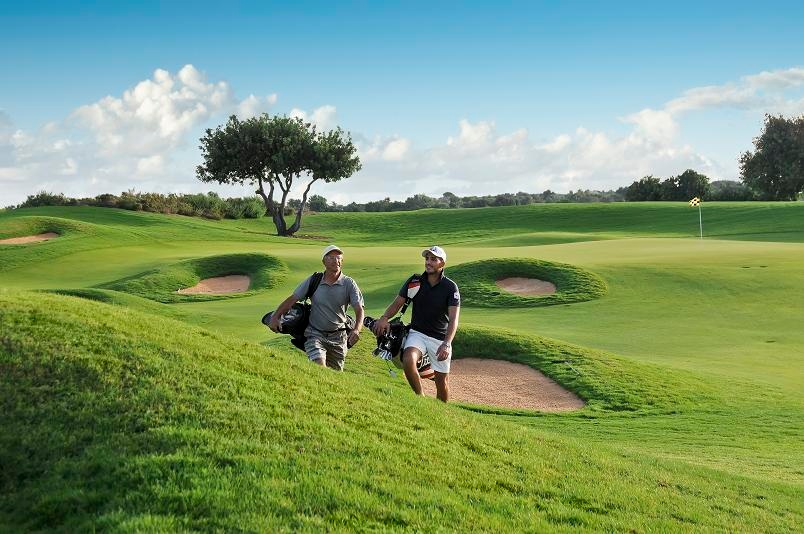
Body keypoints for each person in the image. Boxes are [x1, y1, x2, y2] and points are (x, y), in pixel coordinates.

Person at [372, 245, 460, 402]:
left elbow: (454, 319)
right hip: (417, 333)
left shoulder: (450, 287)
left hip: (440, 338)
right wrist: (384, 317)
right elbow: (398, 303)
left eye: (433, 259)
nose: (429, 262)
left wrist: (447, 343)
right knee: (408, 360)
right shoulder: (415, 281)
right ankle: (420, 399)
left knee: (441, 382)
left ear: (442, 263)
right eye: (427, 258)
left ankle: (441, 413)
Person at [269, 244, 364, 371]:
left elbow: (359, 309)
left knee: (335, 375)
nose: (336, 261)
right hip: (315, 333)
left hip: (339, 337)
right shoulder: (315, 280)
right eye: (331, 258)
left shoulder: (349, 283)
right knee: (319, 367)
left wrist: (357, 329)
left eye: (339, 258)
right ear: (323, 261)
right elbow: (293, 299)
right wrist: (275, 316)